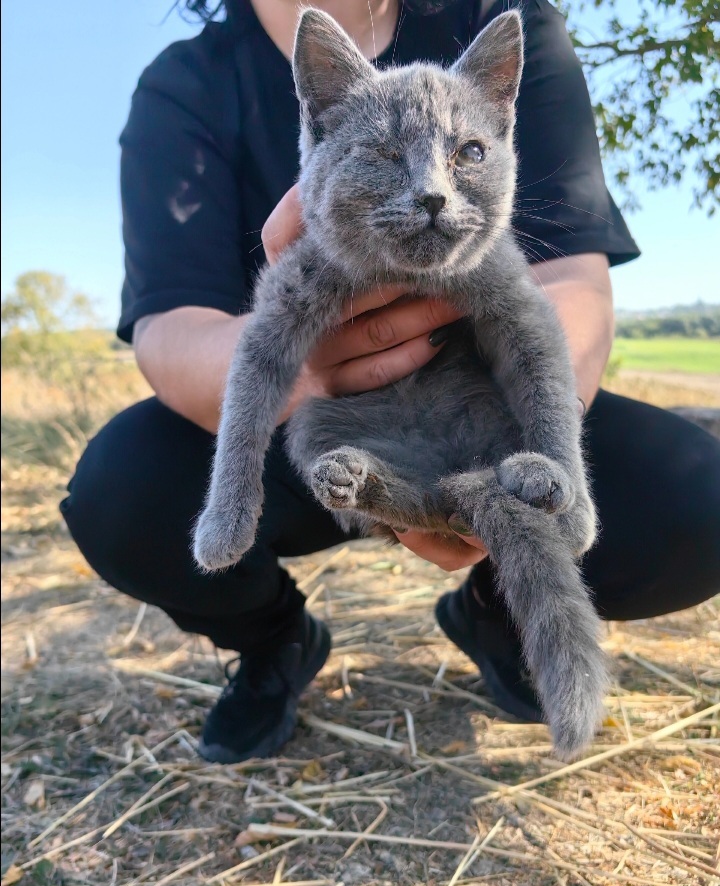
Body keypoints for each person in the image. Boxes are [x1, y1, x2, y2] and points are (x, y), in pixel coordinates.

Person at [60, 0, 720, 764]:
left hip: (488, 419)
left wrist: (551, 465)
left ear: (498, 125)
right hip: (325, 433)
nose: (436, 191)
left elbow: (566, 297)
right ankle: (275, 639)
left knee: (696, 501)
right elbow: (173, 328)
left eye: (467, 153)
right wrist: (312, 382)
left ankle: (493, 608)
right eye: (384, 155)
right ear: (317, 121)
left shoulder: (505, 23)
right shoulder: (186, 84)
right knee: (121, 492)